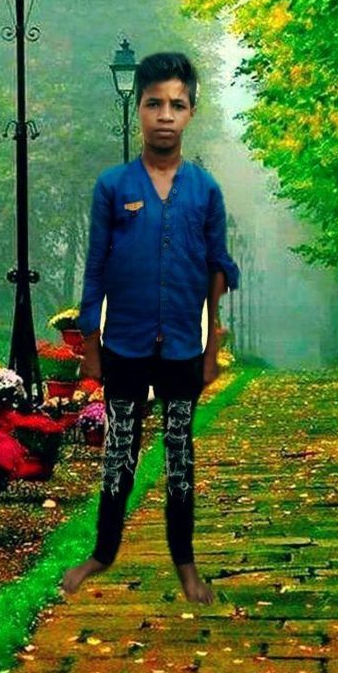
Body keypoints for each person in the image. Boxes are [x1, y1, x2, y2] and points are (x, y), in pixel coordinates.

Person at [61, 52, 240, 604]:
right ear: (138, 109)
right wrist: (90, 343)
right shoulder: (113, 187)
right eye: (154, 103)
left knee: (180, 455)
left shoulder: (205, 191)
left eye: (177, 105)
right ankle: (103, 552)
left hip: (184, 347)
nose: (165, 115)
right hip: (124, 345)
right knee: (119, 453)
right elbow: (96, 267)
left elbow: (216, 269)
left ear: (191, 112)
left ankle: (186, 564)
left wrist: (211, 348)